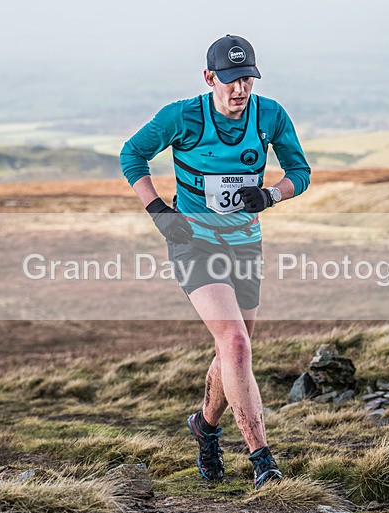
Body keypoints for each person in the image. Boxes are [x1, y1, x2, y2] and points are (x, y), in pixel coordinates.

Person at [120, 34, 310, 489]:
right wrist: (159, 212)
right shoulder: (182, 116)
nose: (240, 89)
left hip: (245, 244)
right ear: (209, 78)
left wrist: (270, 195)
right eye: (230, 80)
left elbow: (300, 173)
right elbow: (132, 154)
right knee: (237, 344)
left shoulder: (270, 115)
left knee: (234, 349)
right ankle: (263, 462)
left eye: (248, 79)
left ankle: (204, 427)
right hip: (193, 241)